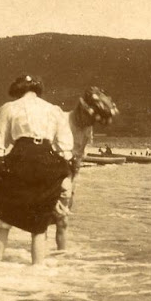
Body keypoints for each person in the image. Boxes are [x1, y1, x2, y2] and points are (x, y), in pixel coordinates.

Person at [0, 75, 73, 265]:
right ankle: (37, 272)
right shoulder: (53, 109)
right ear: (37, 90)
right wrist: (65, 177)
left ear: (18, 91)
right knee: (39, 226)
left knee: (3, 220)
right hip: (46, 159)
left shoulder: (9, 107)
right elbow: (65, 146)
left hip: (20, 157)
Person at [54, 86, 118, 250]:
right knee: (55, 218)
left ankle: (60, 257)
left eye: (94, 122)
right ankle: (47, 258)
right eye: (91, 119)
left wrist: (74, 181)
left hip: (69, 173)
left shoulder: (87, 128)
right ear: (81, 109)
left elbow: (80, 154)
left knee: (63, 219)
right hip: (52, 171)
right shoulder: (61, 120)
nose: (91, 124)